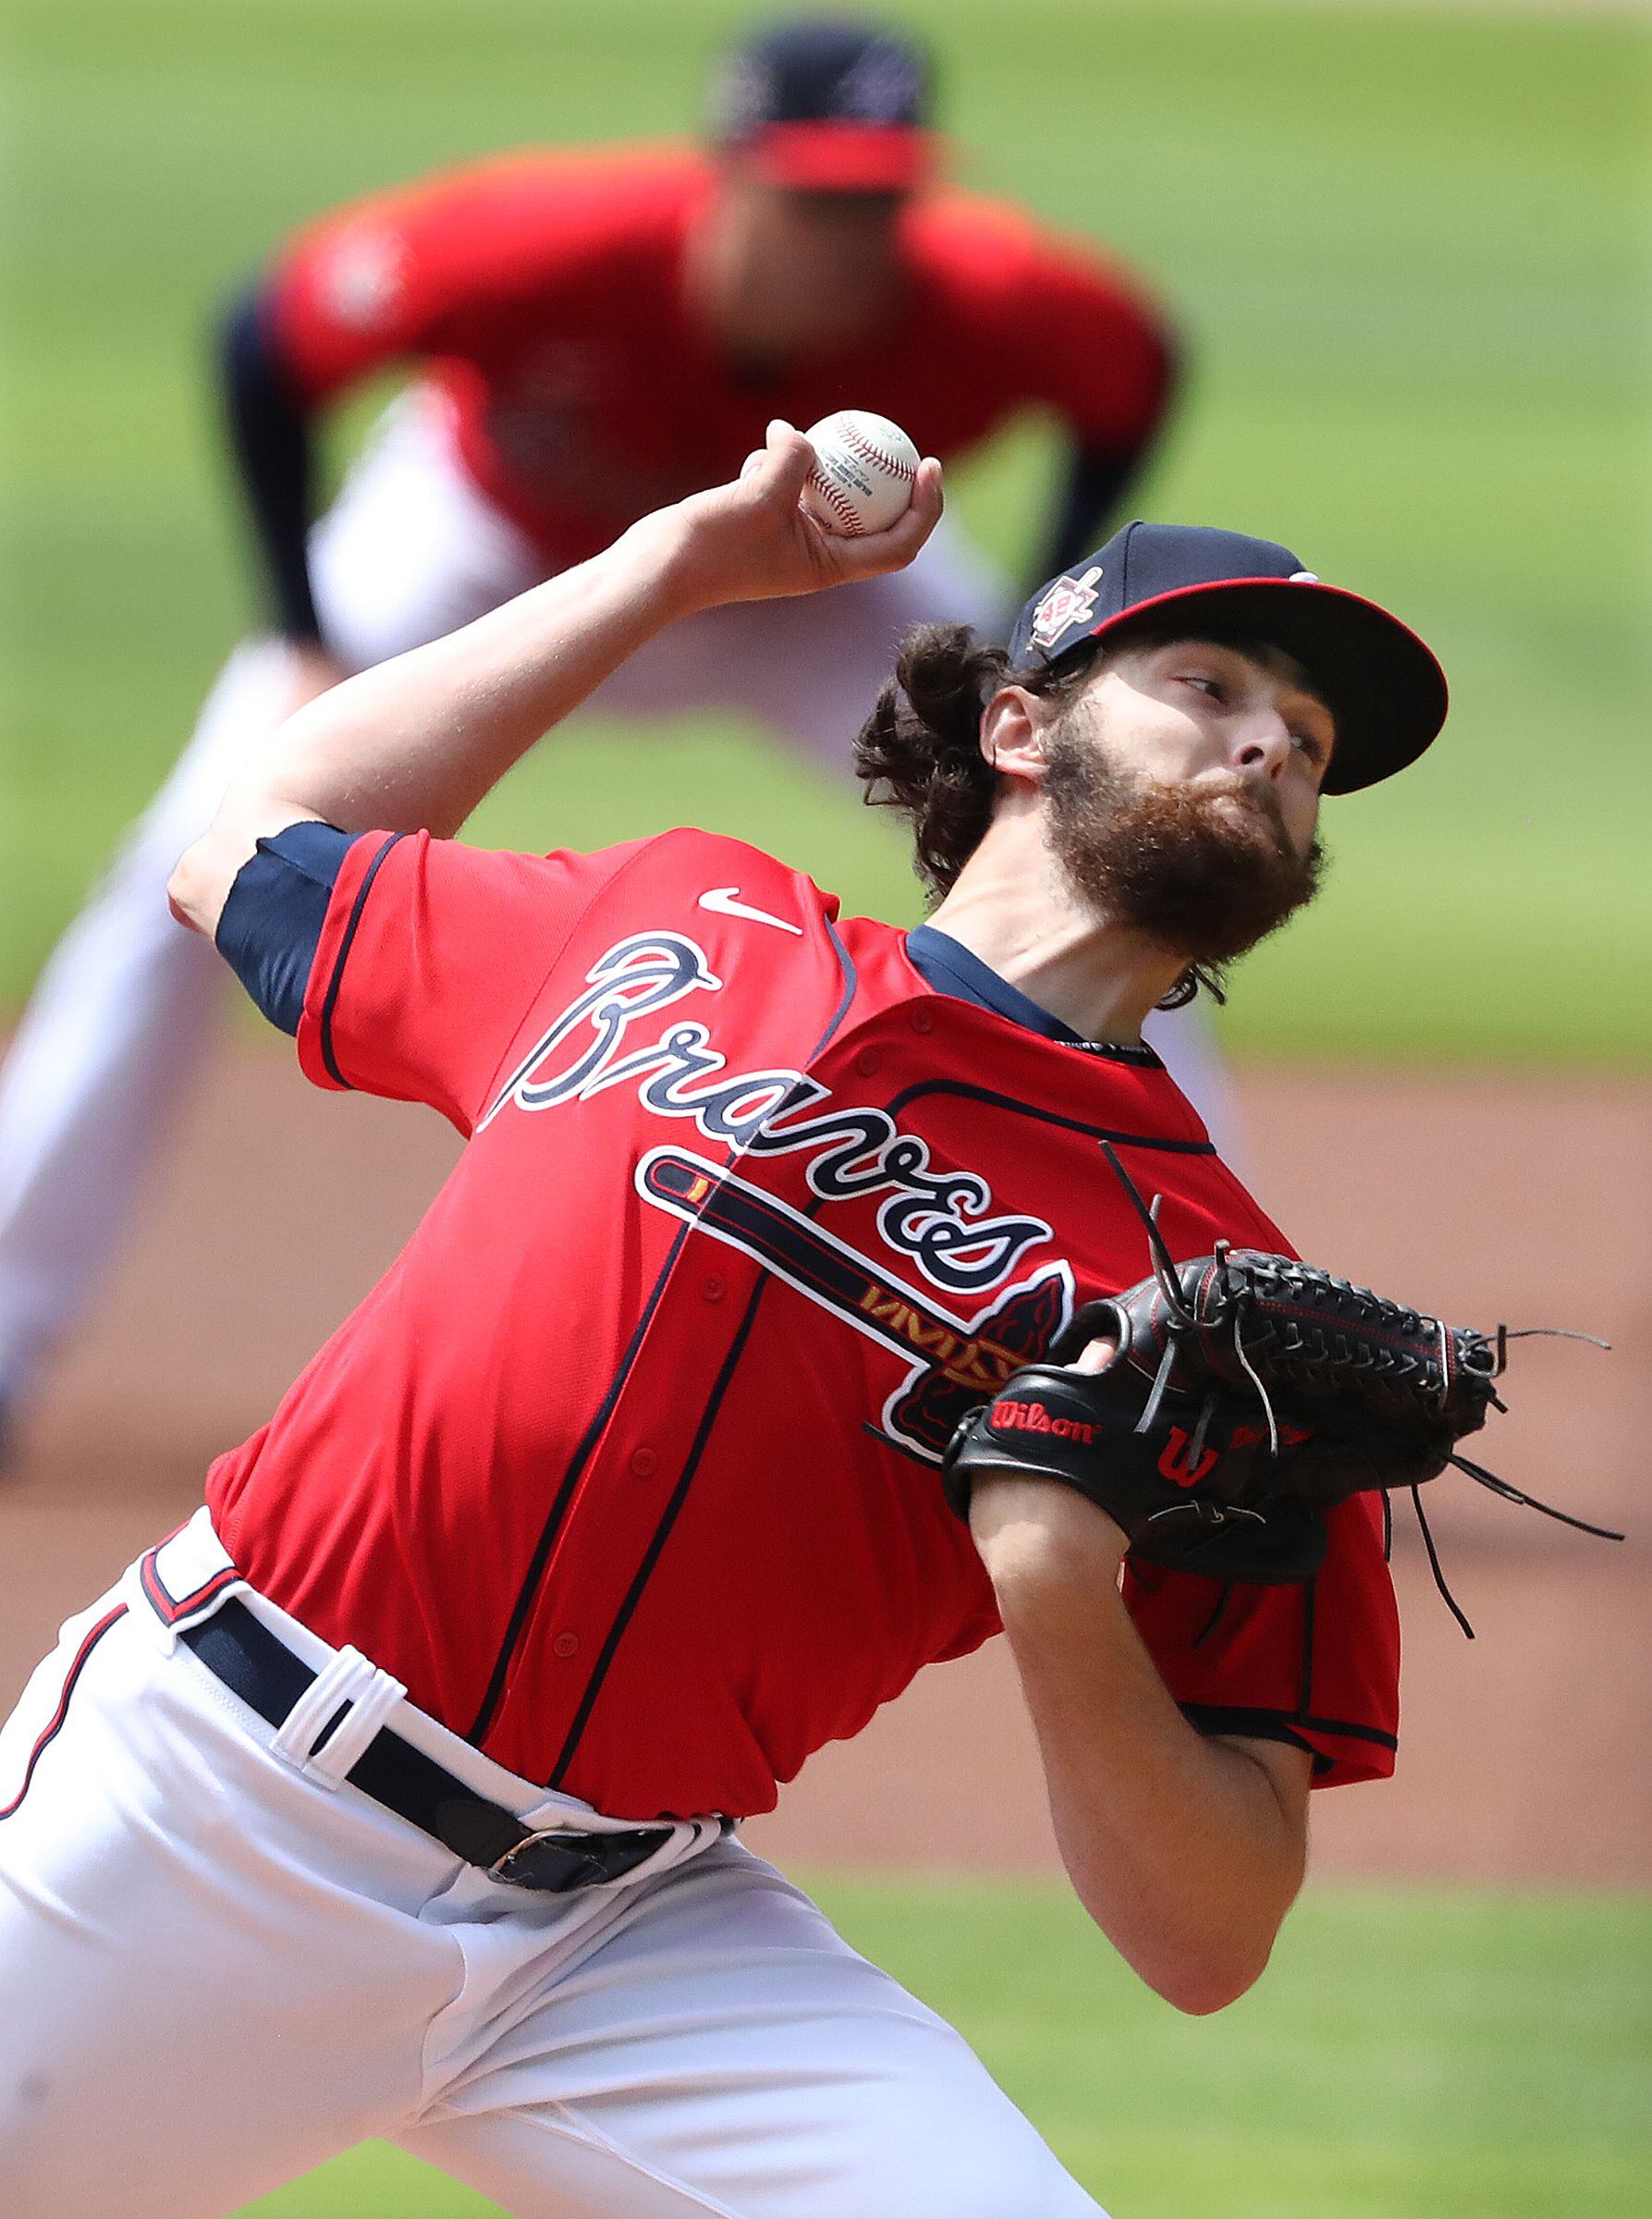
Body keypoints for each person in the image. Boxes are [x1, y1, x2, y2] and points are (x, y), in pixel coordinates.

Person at [0, 424, 1448, 2215]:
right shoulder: (685, 919)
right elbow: (253, 848)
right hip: (209, 1815)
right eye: (1207, 685)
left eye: (1305, 751)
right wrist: (672, 564)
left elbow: (1214, 1930)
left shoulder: (1214, 1305)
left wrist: (1057, 1582)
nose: (1263, 747)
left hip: (627, 1941)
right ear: (1019, 725)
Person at [0, 13, 1216, 1446]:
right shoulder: (543, 241)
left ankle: (1193, 1352)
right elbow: (264, 341)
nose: (855, 231)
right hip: (489, 556)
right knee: (188, 864)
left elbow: (1137, 373)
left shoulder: (1001, 296)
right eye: (820, 195)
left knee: (1091, 847)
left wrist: (1026, 621)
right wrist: (303, 629)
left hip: (817, 591)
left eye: (883, 198)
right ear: (729, 174)